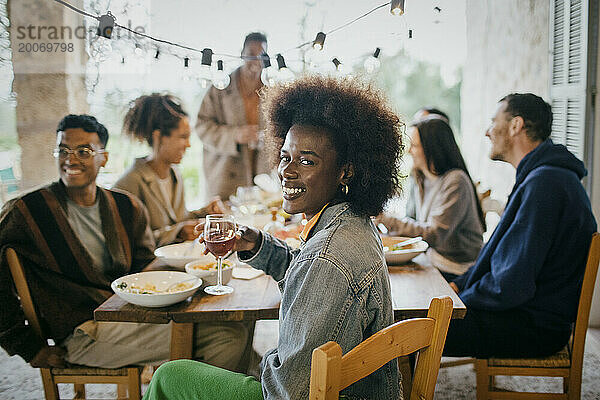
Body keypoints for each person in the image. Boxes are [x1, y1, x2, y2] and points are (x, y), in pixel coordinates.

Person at [144, 76, 405, 399]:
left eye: (307, 160)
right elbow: (308, 275)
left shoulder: (326, 258)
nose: (287, 170)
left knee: (172, 374)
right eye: (285, 156)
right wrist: (256, 244)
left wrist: (259, 367)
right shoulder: (351, 225)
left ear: (346, 171)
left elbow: (289, 390)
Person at [0, 115, 249, 370]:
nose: (71, 159)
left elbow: (143, 268)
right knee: (228, 337)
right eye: (63, 150)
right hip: (83, 332)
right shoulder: (27, 212)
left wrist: (188, 272)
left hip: (129, 314)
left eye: (83, 151)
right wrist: (27, 346)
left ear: (104, 158)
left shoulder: (125, 207)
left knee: (236, 320)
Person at [443, 93, 597, 358]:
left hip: (533, 326)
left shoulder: (545, 184)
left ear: (515, 126)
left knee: (412, 330)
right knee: (424, 310)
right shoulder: (541, 176)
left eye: (494, 122)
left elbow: (511, 283)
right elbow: (500, 257)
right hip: (524, 313)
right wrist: (460, 285)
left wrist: (460, 302)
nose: (487, 132)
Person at [376, 116, 485, 280]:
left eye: (414, 146)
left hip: (456, 270)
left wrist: (387, 220)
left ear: (431, 148)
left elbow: (435, 235)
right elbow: (413, 221)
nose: (409, 151)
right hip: (431, 260)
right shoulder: (421, 177)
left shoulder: (456, 181)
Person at [114, 94, 225, 247]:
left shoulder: (175, 174)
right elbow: (131, 243)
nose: (188, 145)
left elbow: (178, 220)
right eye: (183, 137)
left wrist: (205, 213)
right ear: (158, 136)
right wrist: (177, 233)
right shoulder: (129, 184)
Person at [196, 32, 270, 200]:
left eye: (262, 55)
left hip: (262, 175)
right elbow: (201, 126)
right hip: (225, 174)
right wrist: (234, 135)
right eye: (251, 54)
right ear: (242, 54)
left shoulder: (271, 89)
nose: (256, 60)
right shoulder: (220, 88)